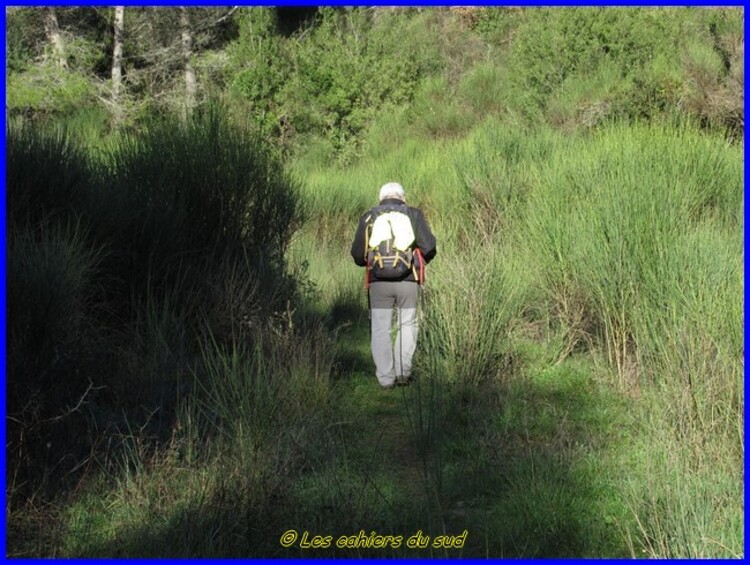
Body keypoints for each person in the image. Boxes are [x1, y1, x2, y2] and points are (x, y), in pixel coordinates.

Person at [350, 182, 437, 390]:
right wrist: (414, 262)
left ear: (381, 198)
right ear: (403, 197)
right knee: (407, 326)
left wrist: (372, 263)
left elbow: (357, 255)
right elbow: (430, 247)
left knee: (380, 329)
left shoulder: (369, 217)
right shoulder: (413, 214)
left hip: (378, 283)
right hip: (408, 282)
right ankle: (403, 373)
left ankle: (386, 379)